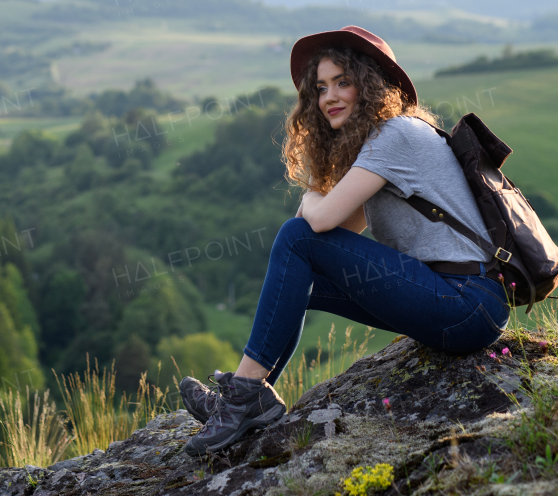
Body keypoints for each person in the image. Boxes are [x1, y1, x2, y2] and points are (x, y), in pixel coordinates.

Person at [181, 25, 509, 457]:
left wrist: (317, 183)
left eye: (343, 82)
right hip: (452, 299)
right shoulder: (378, 143)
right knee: (301, 274)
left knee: (296, 239)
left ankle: (243, 395)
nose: (328, 97)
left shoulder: (395, 135)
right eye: (320, 88)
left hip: (467, 301)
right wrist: (324, 180)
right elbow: (337, 234)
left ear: (370, 85)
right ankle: (248, 397)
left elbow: (316, 224)